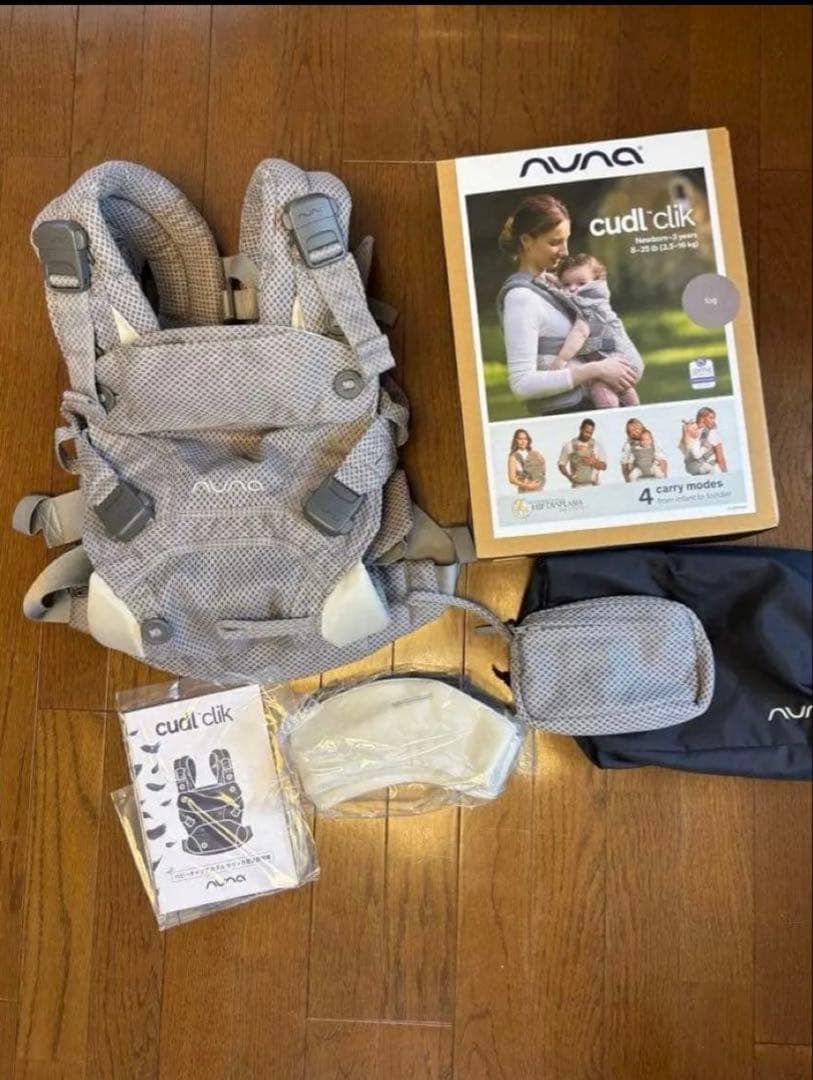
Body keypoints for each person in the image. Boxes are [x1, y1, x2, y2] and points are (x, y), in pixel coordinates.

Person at [496, 195, 638, 415]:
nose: (565, 252)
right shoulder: (521, 298)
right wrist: (596, 369)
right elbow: (522, 384)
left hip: (589, 408)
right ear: (526, 240)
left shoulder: (553, 286)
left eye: (566, 240)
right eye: (555, 242)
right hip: (568, 414)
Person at [553, 253, 643, 408]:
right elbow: (563, 292)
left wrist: (561, 359)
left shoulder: (588, 306)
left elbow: (580, 333)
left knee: (599, 387)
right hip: (627, 360)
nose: (573, 288)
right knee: (622, 390)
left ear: (596, 282)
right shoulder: (596, 300)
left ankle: (608, 415)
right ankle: (635, 411)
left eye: (581, 283)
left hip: (619, 363)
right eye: (566, 284)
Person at [558, 418, 607, 487]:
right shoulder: (569, 445)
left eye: (590, 433)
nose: (588, 435)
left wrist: (594, 462)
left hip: (594, 485)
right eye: (586, 432)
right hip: (578, 486)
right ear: (581, 429)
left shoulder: (597, 445)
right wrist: (568, 476)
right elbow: (561, 464)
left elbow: (604, 466)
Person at [680, 407, 727, 475]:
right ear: (702, 418)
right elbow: (720, 458)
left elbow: (685, 451)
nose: (713, 421)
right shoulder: (713, 433)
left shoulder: (689, 433)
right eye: (711, 418)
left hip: (693, 469)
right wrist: (725, 473)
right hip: (710, 469)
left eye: (714, 418)